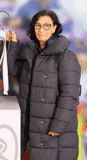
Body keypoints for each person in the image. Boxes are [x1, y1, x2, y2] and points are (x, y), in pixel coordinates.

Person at [7, 10, 81, 160]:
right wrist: (13, 45)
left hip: (53, 129)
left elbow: (70, 95)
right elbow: (12, 70)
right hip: (33, 125)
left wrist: (57, 126)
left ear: (54, 28)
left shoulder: (67, 56)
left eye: (47, 26)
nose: (42, 30)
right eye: (38, 25)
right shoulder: (30, 52)